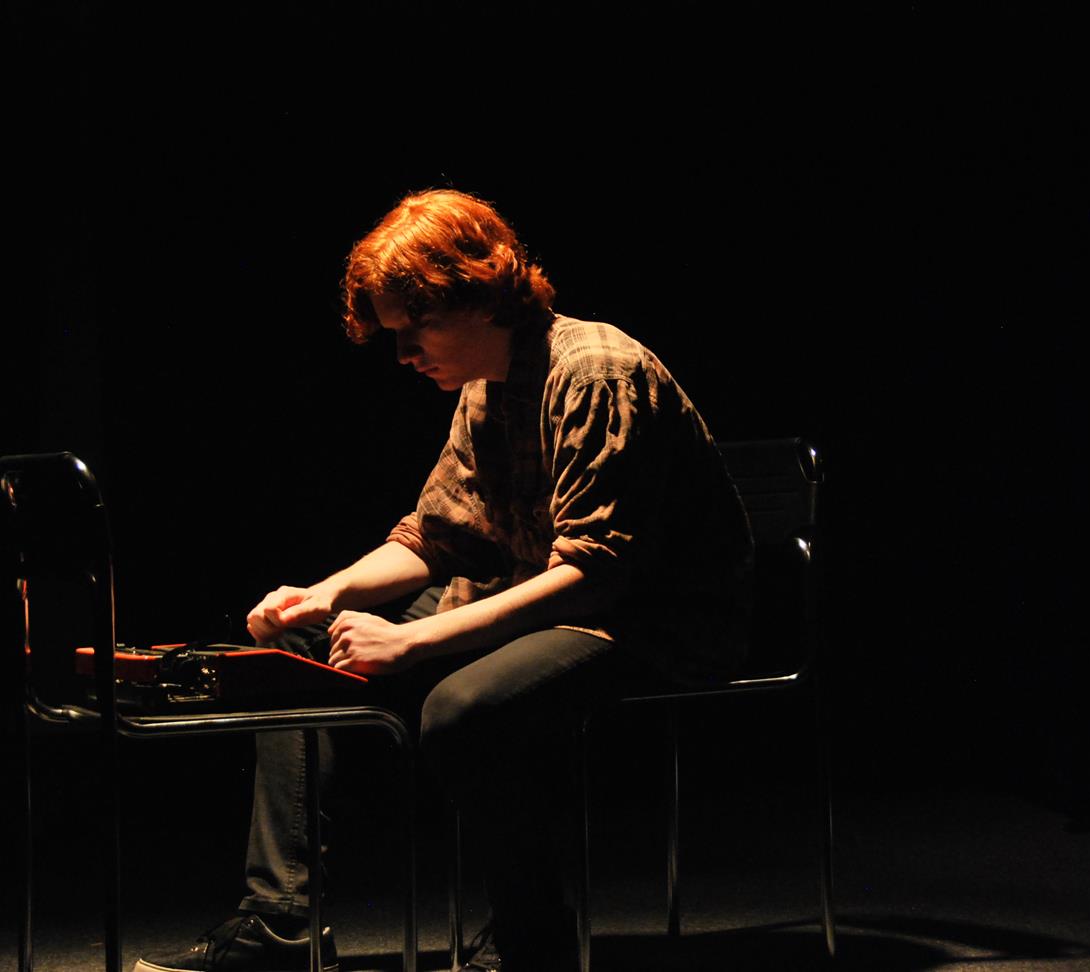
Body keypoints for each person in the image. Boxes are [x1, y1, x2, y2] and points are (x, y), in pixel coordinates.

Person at [135, 189, 753, 972]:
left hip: (652, 618)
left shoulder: (596, 370)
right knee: (294, 652)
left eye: (414, 329)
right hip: (550, 596)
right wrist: (325, 596)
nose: (402, 354)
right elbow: (434, 536)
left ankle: (532, 944)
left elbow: (595, 575)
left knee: (463, 708)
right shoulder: (484, 387)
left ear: (479, 295)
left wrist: (413, 640)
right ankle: (282, 923)